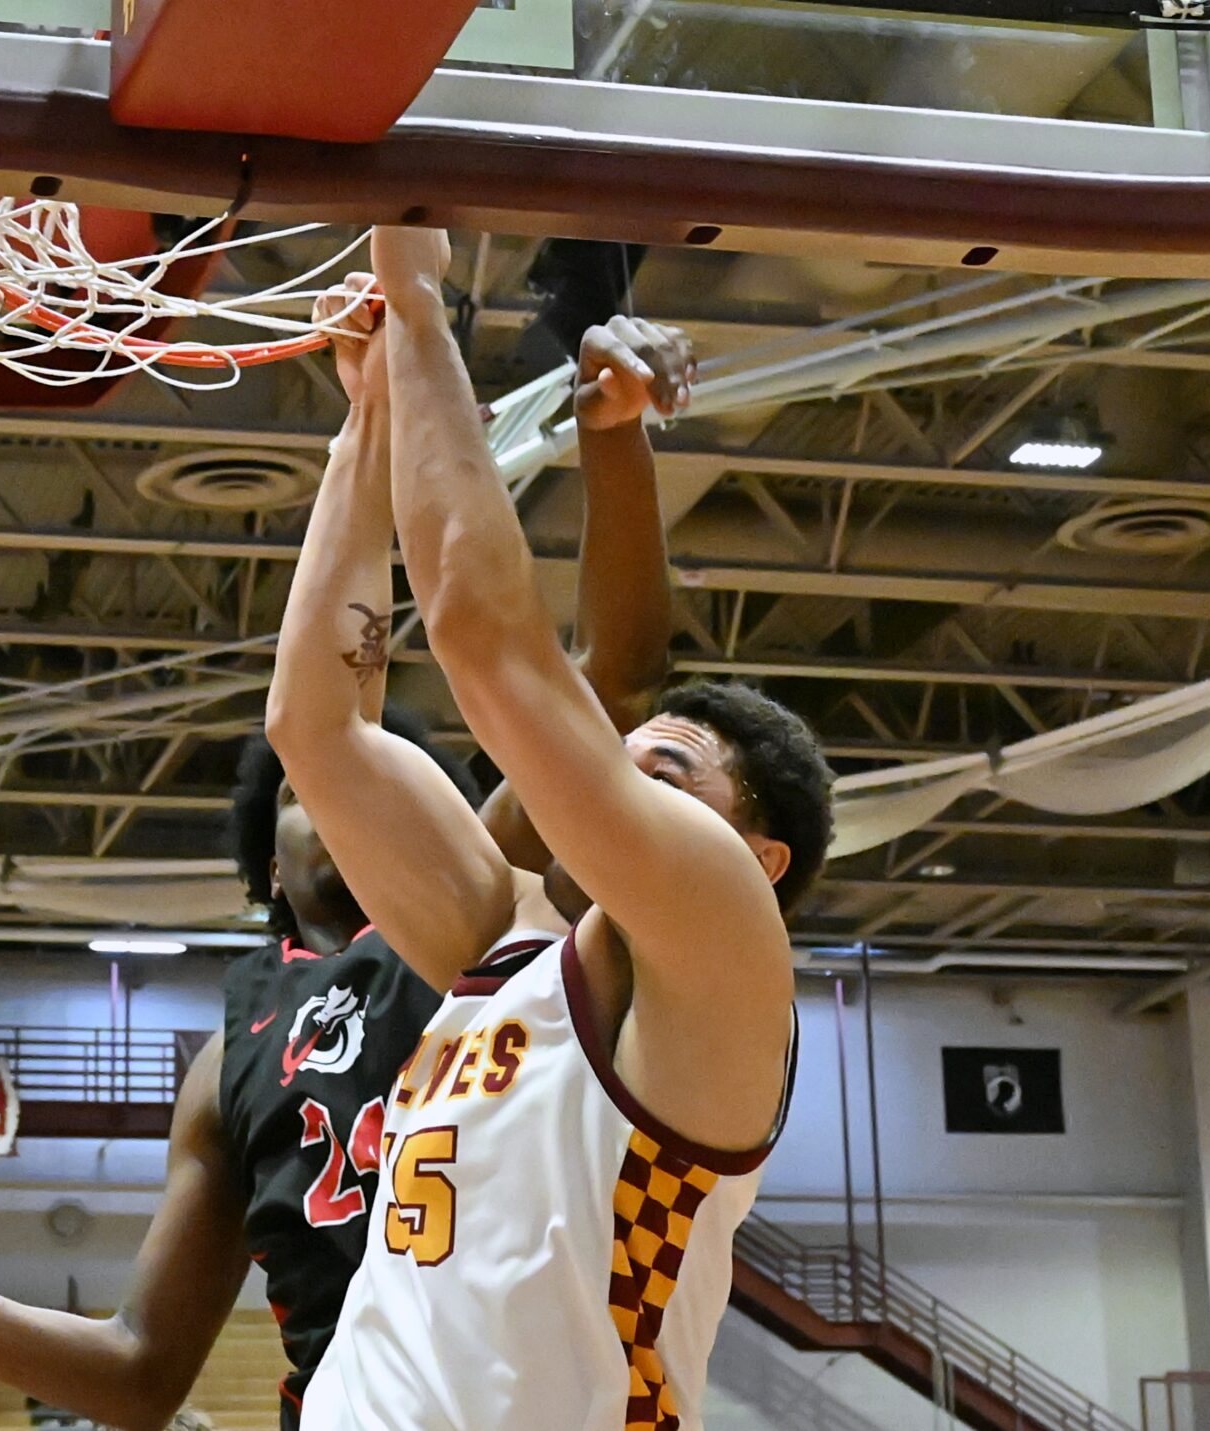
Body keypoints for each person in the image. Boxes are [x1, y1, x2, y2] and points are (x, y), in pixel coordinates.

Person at [0, 279, 687, 1431]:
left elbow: (615, 686)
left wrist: (617, 449)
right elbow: (140, 1370)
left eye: (398, 781)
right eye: (321, 790)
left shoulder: (483, 902)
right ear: (268, 860)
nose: (364, 796)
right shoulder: (227, 1061)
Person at [284, 230, 834, 1431]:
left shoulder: (725, 943)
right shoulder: (508, 943)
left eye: (668, 771)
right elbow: (318, 730)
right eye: (622, 755)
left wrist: (419, 300)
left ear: (758, 858)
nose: (620, 774)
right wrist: (366, 421)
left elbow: (484, 636)